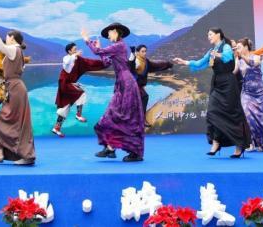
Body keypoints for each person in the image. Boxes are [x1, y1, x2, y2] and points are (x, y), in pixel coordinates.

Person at [174, 28, 251, 158]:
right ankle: (216, 142)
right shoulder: (211, 51)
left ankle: (239, 145)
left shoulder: (226, 47)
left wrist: (217, 55)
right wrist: (184, 62)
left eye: (210, 34)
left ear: (218, 35)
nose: (208, 37)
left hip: (228, 83)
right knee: (212, 113)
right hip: (217, 84)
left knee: (232, 115)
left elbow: (228, 57)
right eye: (208, 35)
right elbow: (199, 63)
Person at [82, 22, 144, 162]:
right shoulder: (117, 47)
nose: (108, 36)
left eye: (109, 33)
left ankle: (135, 152)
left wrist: (87, 40)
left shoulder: (119, 45)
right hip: (122, 84)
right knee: (112, 115)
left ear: (115, 31)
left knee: (128, 118)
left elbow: (98, 52)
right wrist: (98, 48)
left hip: (127, 84)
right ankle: (110, 148)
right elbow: (106, 61)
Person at [0, 25, 36, 165]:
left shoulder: (13, 49)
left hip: (15, 88)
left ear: (12, 38)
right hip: (14, 88)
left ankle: (25, 155)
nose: (6, 39)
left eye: (7, 37)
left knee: (7, 119)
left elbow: (1, 46)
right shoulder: (18, 52)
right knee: (13, 121)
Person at [52, 42, 107, 137]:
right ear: (69, 51)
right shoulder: (66, 58)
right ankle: (78, 115)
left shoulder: (78, 59)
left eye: (76, 50)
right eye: (74, 50)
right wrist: (75, 55)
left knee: (65, 106)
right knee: (81, 93)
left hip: (69, 84)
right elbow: (67, 63)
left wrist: (104, 63)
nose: (76, 51)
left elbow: (89, 62)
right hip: (64, 84)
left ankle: (56, 128)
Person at [234, 38, 263, 152]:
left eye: (239, 47)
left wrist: (242, 57)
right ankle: (251, 143)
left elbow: (253, 64)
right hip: (246, 92)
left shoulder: (256, 56)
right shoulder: (239, 60)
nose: (238, 49)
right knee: (247, 116)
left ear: (246, 47)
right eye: (237, 48)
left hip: (260, 92)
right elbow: (234, 72)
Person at [128, 45, 173, 127]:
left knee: (140, 100)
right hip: (132, 86)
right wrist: (132, 54)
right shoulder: (136, 61)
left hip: (138, 86)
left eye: (145, 51)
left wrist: (168, 64)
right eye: (142, 51)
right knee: (144, 97)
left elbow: (156, 65)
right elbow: (130, 67)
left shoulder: (145, 61)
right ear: (137, 52)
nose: (145, 53)